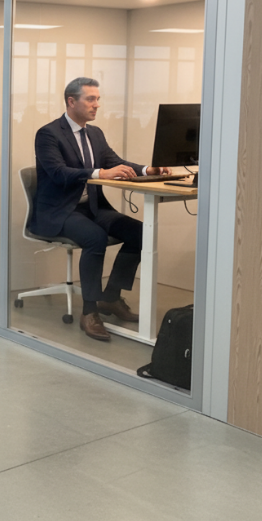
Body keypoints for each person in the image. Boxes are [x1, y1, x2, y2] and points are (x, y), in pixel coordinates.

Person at [33, 77, 171, 342]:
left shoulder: (94, 133)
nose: (97, 105)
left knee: (140, 232)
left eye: (98, 99)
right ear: (71, 101)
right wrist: (101, 173)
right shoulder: (48, 134)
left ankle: (110, 297)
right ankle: (89, 311)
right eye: (91, 99)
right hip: (59, 211)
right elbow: (59, 173)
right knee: (94, 238)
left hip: (92, 207)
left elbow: (115, 162)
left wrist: (146, 169)